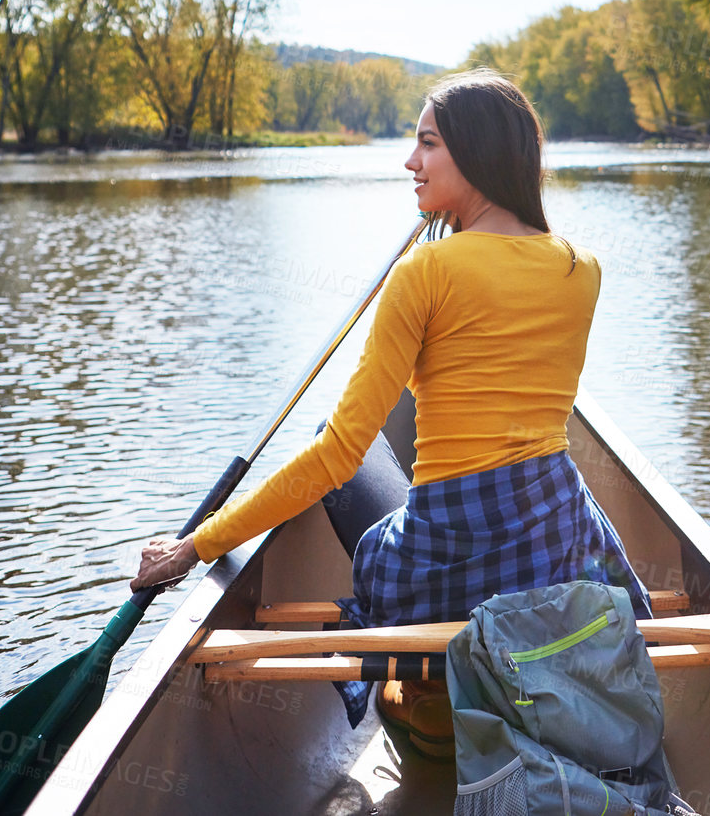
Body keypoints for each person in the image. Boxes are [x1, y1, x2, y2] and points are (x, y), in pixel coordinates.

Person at [131, 69, 649, 757]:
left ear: (479, 153)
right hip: (552, 554)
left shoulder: (425, 272)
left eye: (428, 144)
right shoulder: (581, 269)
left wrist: (196, 546)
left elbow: (339, 455)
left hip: (449, 570)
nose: (410, 162)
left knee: (334, 442)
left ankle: (427, 689)